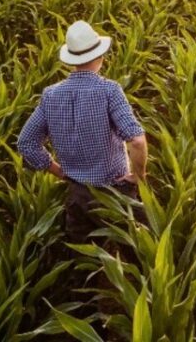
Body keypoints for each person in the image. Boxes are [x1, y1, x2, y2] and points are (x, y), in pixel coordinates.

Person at [17, 20, 147, 244]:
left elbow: (26, 143)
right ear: (100, 57)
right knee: (137, 251)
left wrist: (59, 172)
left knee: (84, 257)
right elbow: (137, 141)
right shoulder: (109, 90)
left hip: (77, 196)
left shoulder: (51, 95)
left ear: (72, 61)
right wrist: (139, 177)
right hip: (114, 193)